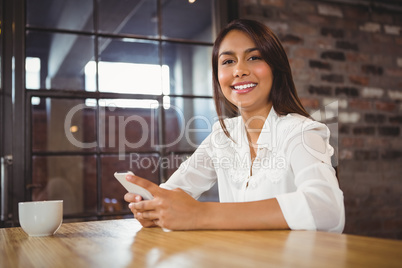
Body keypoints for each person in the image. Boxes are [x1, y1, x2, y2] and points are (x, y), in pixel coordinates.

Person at [124, 19, 345, 233]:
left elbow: (327, 209)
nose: (239, 70)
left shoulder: (302, 132)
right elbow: (176, 191)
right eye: (228, 61)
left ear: (276, 68)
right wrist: (150, 205)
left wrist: (201, 214)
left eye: (254, 57)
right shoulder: (223, 135)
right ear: (218, 76)